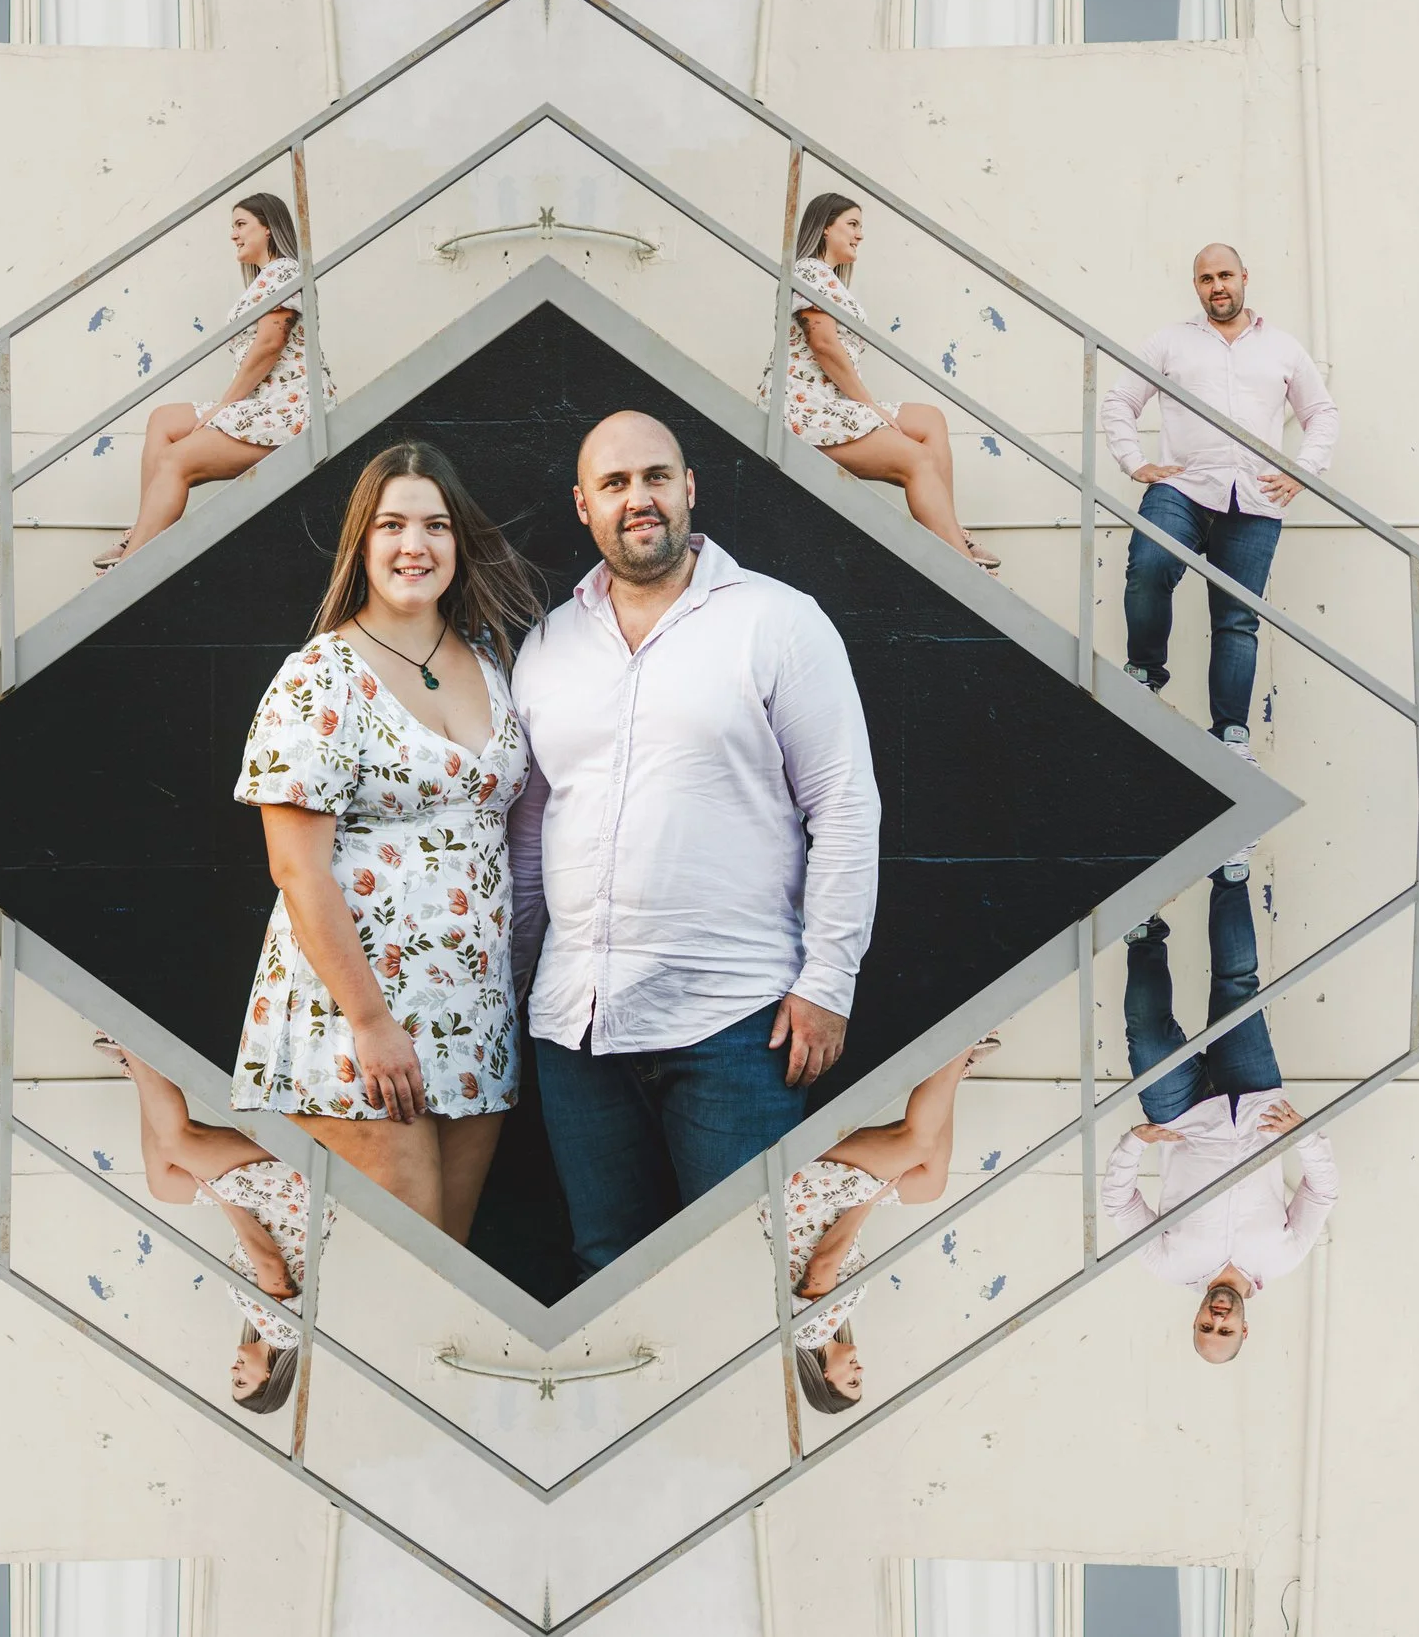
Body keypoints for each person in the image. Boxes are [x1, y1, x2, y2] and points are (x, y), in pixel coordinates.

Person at [510, 410, 881, 1276]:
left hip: (738, 1026)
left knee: (744, 1275)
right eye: (614, 483)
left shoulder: (777, 621)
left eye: (655, 477)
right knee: (606, 1266)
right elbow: (528, 834)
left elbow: (844, 806)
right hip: (577, 1028)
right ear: (583, 505)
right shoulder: (548, 645)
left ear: (688, 488)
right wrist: (512, 981)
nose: (637, 498)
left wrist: (829, 982)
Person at [228, 442, 540, 1240]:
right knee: (403, 1270)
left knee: (448, 1265)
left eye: (436, 525)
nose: (415, 545)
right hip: (355, 1018)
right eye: (393, 525)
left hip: (473, 1013)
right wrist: (371, 1023)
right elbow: (296, 870)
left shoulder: (491, 660)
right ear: (361, 543)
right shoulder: (319, 676)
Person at [1100, 243, 1340, 764]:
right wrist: (1134, 461)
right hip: (1184, 486)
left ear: (1244, 277)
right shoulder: (1170, 341)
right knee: (1149, 564)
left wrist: (1303, 470)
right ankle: (1144, 672)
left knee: (1237, 618)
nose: (1218, 287)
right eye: (1206, 279)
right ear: (1196, 286)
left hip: (1255, 498)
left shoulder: (1282, 347)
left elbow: (1321, 412)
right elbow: (1120, 399)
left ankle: (1231, 735)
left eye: (1225, 275)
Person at [1101, 864, 1340, 1363]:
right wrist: (1302, 1136)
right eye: (1225, 1330)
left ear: (1195, 1319)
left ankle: (1144, 932)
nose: (1218, 1317)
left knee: (1146, 1035)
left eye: (1207, 1326)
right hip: (1255, 1107)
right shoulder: (1283, 1258)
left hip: (1181, 1119)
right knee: (1237, 989)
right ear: (1244, 1330)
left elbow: (1120, 1205)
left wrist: (1135, 1143)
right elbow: (1322, 1191)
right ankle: (1231, 874)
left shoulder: (1168, 1266)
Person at [755, 193, 999, 571]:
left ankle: (952, 530)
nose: (860, 235)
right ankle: (962, 563)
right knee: (917, 459)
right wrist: (869, 406)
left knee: (930, 419)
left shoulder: (827, 278)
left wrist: (865, 406)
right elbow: (824, 344)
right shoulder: (808, 271)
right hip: (800, 409)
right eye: (852, 224)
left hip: (827, 405)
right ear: (825, 227)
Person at [762, 1037, 998, 1414]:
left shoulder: (809, 1334)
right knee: (930, 1185)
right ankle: (954, 1070)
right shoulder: (826, 1327)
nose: (860, 1371)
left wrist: (870, 1198)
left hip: (803, 1193)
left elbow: (824, 1262)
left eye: (852, 1380)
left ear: (825, 1377)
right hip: (829, 1202)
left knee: (915, 1144)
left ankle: (956, 1045)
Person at [97, 194, 334, 569]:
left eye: (241, 224)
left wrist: (225, 405)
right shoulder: (266, 278)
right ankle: (141, 529)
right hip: (265, 406)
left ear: (268, 227)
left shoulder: (286, 271)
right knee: (163, 419)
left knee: (175, 460)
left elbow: (270, 344)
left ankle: (131, 563)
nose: (233, 235)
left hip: (293, 410)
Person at [99, 1036, 330, 1415]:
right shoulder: (284, 1333)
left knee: (162, 1185)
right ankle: (136, 1046)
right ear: (269, 1377)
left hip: (265, 1201)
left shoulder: (268, 1327)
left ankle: (140, 1071)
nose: (233, 1371)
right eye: (241, 1381)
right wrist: (223, 1199)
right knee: (177, 1143)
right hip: (290, 1192)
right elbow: (269, 1262)